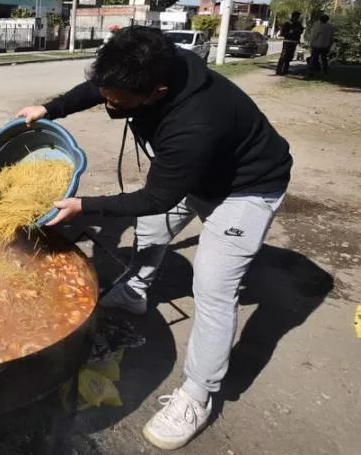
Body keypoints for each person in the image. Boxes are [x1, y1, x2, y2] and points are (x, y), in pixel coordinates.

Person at [16, 26, 292, 451]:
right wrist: (50, 109)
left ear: (157, 91)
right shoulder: (144, 64)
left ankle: (198, 396)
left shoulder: (195, 122)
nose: (109, 104)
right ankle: (135, 291)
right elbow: (100, 87)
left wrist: (84, 205)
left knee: (214, 288)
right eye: (109, 95)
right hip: (195, 173)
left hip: (245, 188)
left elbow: (158, 195)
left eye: (119, 103)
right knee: (153, 230)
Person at [275, 11, 304, 75]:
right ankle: (279, 71)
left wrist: (298, 31)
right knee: (283, 56)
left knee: (289, 57)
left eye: (298, 17)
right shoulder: (287, 23)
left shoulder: (299, 24)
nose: (297, 18)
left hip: (294, 42)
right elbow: (282, 33)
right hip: (287, 41)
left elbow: (301, 31)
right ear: (293, 16)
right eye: (296, 17)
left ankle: (285, 70)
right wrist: (289, 32)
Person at [306, 13, 335, 78]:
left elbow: (315, 35)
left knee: (313, 59)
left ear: (320, 19)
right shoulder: (331, 27)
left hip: (317, 45)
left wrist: (311, 42)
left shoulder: (318, 26)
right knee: (324, 59)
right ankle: (325, 71)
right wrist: (330, 44)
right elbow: (331, 37)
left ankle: (311, 72)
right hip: (326, 45)